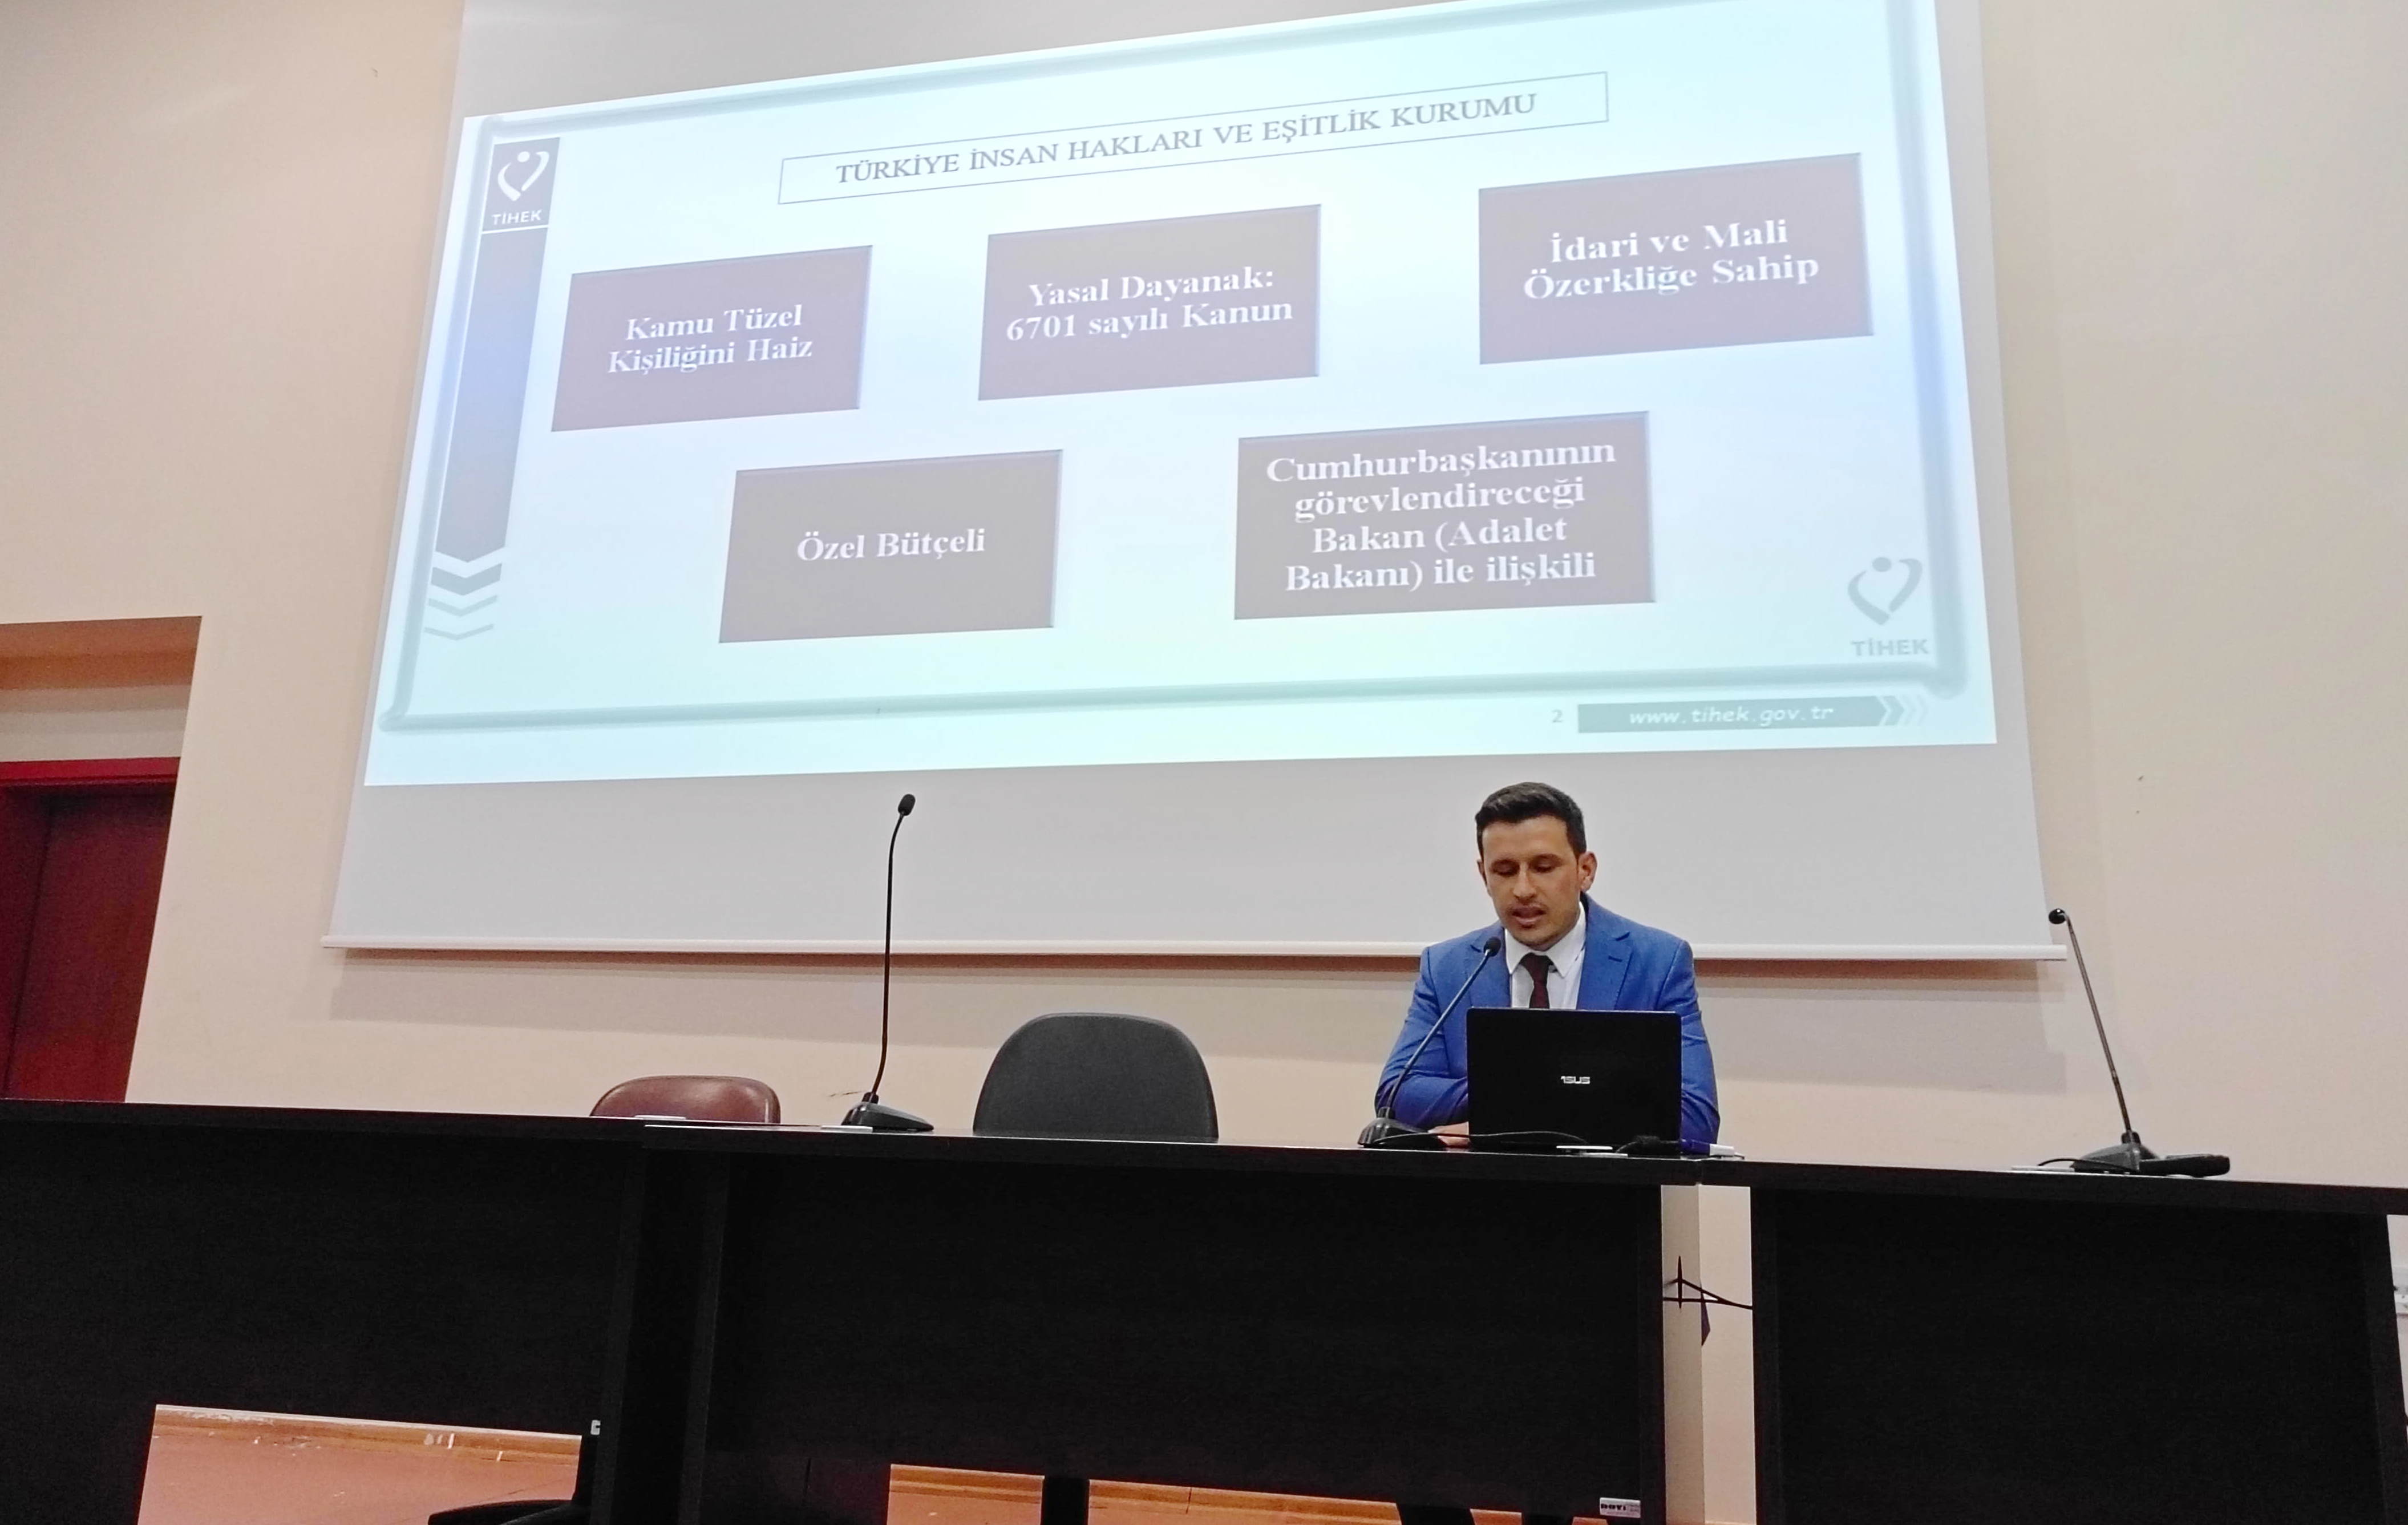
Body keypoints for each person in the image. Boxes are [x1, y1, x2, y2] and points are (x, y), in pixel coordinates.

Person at [1373, 780, 1719, 1150]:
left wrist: (1510, 1105)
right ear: (1484, 876)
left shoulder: (1656, 962)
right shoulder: (1448, 967)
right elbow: (1399, 1094)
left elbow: (1695, 1116)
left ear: (1585, 870)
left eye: (1543, 867)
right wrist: (1561, 1091)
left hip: (1608, 1183)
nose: (1523, 889)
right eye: (1505, 870)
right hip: (1484, 1181)